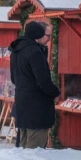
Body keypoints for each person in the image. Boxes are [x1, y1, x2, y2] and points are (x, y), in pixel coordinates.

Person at [9, 21, 61, 149]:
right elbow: (43, 80)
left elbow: (14, 79)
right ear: (38, 34)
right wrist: (55, 93)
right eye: (47, 36)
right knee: (34, 149)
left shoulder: (16, 51)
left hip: (22, 104)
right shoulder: (35, 52)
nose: (49, 40)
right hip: (37, 109)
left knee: (23, 145)